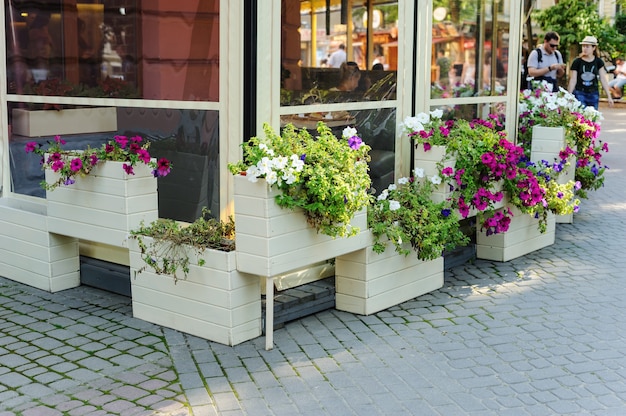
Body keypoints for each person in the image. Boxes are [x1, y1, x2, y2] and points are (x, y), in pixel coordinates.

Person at [567, 35, 614, 110]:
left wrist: (609, 96)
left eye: (587, 46)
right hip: (580, 92)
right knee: (581, 117)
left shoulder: (598, 62)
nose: (585, 49)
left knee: (593, 116)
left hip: (593, 93)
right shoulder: (577, 61)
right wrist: (569, 95)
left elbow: (603, 78)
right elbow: (573, 79)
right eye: (583, 46)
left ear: (594, 48)